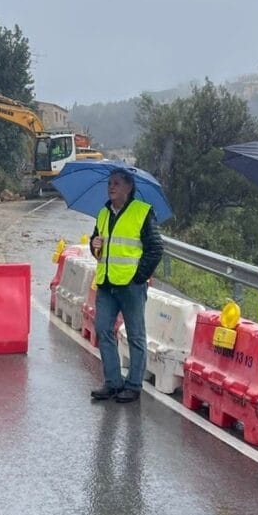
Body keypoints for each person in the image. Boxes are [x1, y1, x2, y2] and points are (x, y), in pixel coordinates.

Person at [89, 167, 163, 403]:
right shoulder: (103, 213)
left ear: (129, 187)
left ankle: (133, 385)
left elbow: (155, 249)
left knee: (135, 336)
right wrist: (94, 244)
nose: (111, 187)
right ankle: (112, 382)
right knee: (103, 329)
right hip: (106, 282)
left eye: (117, 183)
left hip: (131, 285)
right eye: (109, 183)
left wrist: (139, 277)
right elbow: (96, 244)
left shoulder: (142, 213)